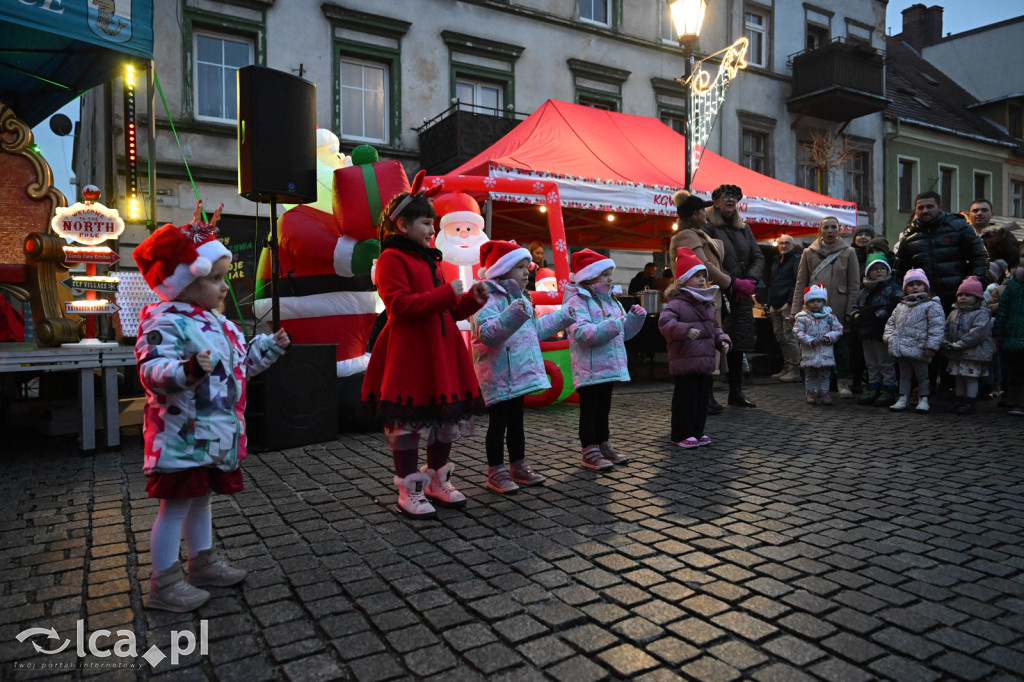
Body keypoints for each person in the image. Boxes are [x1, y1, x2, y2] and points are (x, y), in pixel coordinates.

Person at [132, 205, 290, 612]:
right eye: (215, 278)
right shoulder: (164, 320)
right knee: (177, 505)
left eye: (223, 277)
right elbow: (151, 370)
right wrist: (185, 371)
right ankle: (164, 581)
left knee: (201, 500)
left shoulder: (222, 324)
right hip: (180, 434)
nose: (224, 287)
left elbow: (242, 368)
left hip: (213, 434)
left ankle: (201, 562)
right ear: (184, 283)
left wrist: (268, 347)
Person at [361, 189, 490, 519]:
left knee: (442, 420)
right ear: (403, 225)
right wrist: (447, 293)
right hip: (411, 355)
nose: (432, 230)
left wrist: (473, 298)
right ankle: (410, 488)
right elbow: (400, 306)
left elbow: (447, 310)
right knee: (408, 425)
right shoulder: (392, 258)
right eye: (426, 222)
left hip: (440, 352)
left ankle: (436, 481)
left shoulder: (428, 259)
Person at [470, 240, 575, 493]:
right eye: (520, 267)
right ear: (501, 269)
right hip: (498, 372)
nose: (526, 271)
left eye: (527, 266)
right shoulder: (486, 296)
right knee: (498, 424)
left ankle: (518, 465)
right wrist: (515, 313)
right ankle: (495, 471)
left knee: (517, 422)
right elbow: (488, 334)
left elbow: (533, 331)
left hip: (519, 372)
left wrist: (562, 317)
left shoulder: (521, 297)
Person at [564, 248, 645, 470]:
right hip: (590, 367)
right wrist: (615, 323)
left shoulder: (610, 299)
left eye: (610, 274)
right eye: (606, 274)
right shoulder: (576, 301)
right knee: (589, 410)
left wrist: (634, 320)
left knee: (603, 409)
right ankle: (589, 449)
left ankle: (602, 443)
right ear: (589, 277)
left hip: (608, 366)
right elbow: (582, 334)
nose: (611, 279)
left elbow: (623, 334)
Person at [659, 248, 731, 448]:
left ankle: (697, 431)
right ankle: (681, 433)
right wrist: (685, 330)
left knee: (701, 402)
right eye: (696, 276)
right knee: (685, 401)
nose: (701, 280)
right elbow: (665, 323)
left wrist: (722, 340)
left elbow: (715, 328)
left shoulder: (707, 303)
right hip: (685, 361)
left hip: (704, 361)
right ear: (683, 279)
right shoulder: (678, 303)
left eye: (703, 276)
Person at [701, 184, 764, 408]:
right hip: (718, 293)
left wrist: (751, 282)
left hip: (742, 295)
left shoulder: (744, 228)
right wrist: (733, 282)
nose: (731, 200)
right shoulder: (707, 227)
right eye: (726, 196)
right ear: (715, 201)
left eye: (735, 198)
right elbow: (707, 261)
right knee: (713, 342)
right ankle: (706, 395)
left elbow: (758, 257)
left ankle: (735, 392)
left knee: (738, 343)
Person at [670, 189, 729, 412]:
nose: (706, 214)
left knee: (708, 347)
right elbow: (702, 266)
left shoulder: (698, 234)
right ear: (695, 214)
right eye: (703, 211)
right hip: (697, 300)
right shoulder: (687, 235)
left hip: (706, 298)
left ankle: (707, 396)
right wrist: (729, 282)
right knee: (701, 347)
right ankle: (703, 399)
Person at [790, 217, 861, 397]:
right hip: (813, 310)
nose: (830, 231)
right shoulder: (809, 252)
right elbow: (801, 283)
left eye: (834, 227)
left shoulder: (849, 252)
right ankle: (818, 384)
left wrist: (850, 309)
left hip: (839, 305)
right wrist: (795, 310)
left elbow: (854, 284)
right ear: (820, 230)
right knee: (815, 348)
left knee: (841, 349)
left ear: (839, 229)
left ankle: (842, 382)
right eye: (826, 227)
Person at [895, 191, 988, 313]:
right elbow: (899, 270)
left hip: (959, 298)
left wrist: (974, 283)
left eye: (930, 206)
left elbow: (979, 257)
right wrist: (900, 294)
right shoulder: (910, 236)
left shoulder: (959, 227)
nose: (925, 210)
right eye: (921, 207)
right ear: (915, 210)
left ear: (940, 207)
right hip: (924, 301)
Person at [883, 269, 945, 413]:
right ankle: (903, 396)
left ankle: (923, 398)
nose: (915, 287)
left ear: (926, 287)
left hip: (920, 348)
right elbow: (890, 323)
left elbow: (936, 327)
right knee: (904, 375)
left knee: (922, 375)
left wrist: (932, 345)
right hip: (901, 347)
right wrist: (889, 338)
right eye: (911, 284)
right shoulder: (901, 306)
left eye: (919, 284)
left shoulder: (932, 306)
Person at [850, 254, 903, 407]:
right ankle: (873, 387)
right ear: (868, 272)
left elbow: (895, 306)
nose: (879, 271)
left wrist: (878, 315)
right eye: (874, 269)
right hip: (866, 330)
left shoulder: (892, 287)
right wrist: (857, 316)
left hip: (881, 330)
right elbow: (857, 306)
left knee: (885, 361)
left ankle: (888, 388)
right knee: (871, 362)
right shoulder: (864, 290)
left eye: (882, 268)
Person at [942, 276, 994, 415]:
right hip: (956, 351)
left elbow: (977, 334)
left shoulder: (981, 313)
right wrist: (944, 341)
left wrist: (959, 344)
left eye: (967, 295)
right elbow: (945, 328)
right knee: (959, 377)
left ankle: (970, 401)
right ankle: (959, 399)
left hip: (972, 353)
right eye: (961, 295)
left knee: (970, 378)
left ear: (977, 297)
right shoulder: (954, 312)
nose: (963, 297)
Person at [793, 284, 843, 405]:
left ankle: (824, 392)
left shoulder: (830, 316)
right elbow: (797, 331)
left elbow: (838, 329)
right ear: (807, 302)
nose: (815, 303)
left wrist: (829, 337)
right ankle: (810, 392)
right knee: (810, 374)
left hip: (825, 350)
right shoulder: (802, 318)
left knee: (825, 374)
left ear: (823, 302)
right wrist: (809, 340)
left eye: (819, 301)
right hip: (810, 351)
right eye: (812, 301)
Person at [765, 234, 802, 383]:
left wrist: (790, 302)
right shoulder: (776, 262)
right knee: (780, 337)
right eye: (781, 243)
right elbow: (772, 283)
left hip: (787, 305)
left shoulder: (795, 260)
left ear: (792, 245)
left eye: (787, 243)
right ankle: (787, 367)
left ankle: (795, 370)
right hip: (775, 304)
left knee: (789, 337)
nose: (783, 246)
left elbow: (797, 283)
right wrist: (769, 303)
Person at [994, 243, 1024, 416]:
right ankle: (1015, 401)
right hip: (1013, 334)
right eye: (1022, 256)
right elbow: (1003, 308)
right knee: (1014, 371)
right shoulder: (1013, 283)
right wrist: (999, 331)